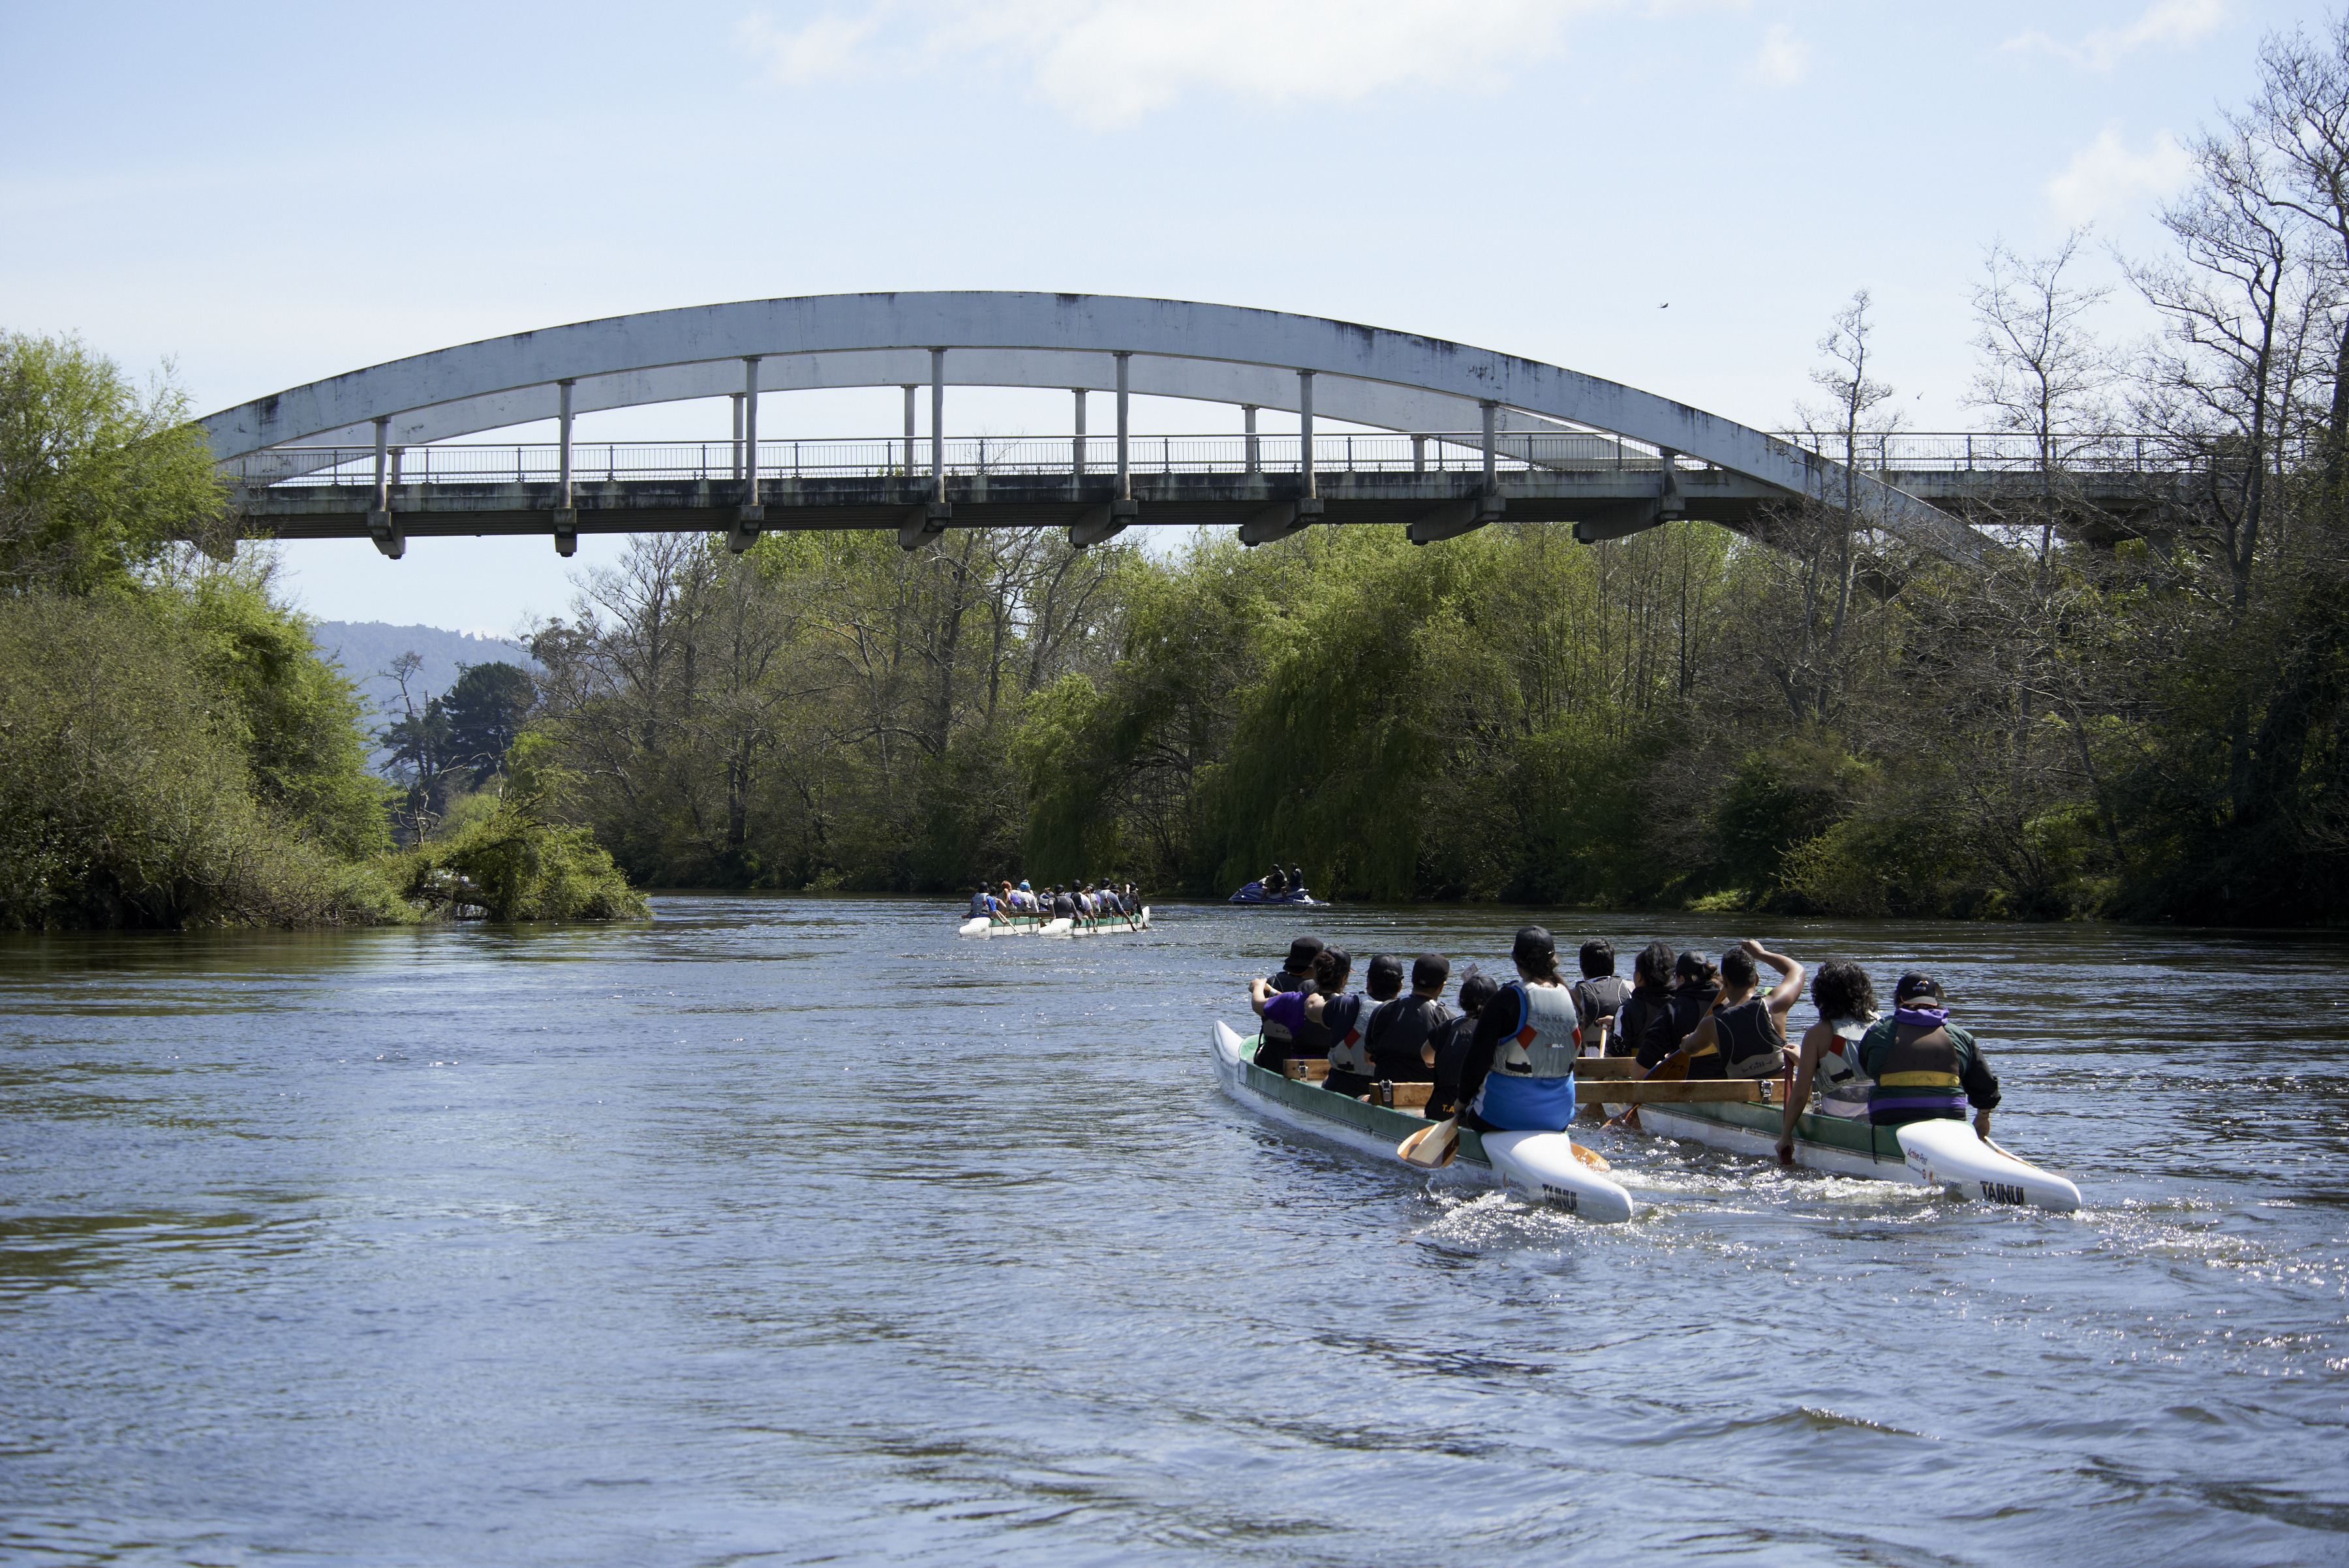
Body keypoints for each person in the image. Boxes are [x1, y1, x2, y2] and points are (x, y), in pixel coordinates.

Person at [1427, 927, 1582, 1133]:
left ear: (1516, 960)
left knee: (1464, 1111)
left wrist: (1461, 1102)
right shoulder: (1571, 1000)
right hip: (1560, 1116)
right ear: (1553, 959)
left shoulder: (1505, 1000)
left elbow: (1476, 1061)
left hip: (1500, 1116)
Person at [1856, 974, 2000, 1138]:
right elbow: (1985, 1086)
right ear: (1935, 1001)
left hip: (1889, 1118)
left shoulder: (1878, 1032)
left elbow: (1868, 1067)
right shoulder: (1961, 1036)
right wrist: (1983, 1116)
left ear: (1900, 999)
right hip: (1950, 1119)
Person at [1774, 961, 1881, 1163]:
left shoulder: (1817, 1034)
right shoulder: (1880, 1024)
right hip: (1878, 1124)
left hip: (1839, 1126)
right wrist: (1807, 1060)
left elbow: (1799, 1095)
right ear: (1863, 991)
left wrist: (1785, 1136)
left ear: (1822, 996)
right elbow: (1857, 1063)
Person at [1655, 940, 1804, 1081]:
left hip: (1745, 1098)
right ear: (1756, 980)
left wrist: (1685, 1041)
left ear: (1724, 981)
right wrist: (1761, 953)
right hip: (1784, 1093)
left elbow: (1689, 1048)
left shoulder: (1711, 1025)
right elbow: (1797, 970)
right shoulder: (1775, 1004)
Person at [1248, 946, 1355, 1071]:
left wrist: (1259, 986)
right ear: (1343, 980)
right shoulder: (1352, 1006)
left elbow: (1257, 1004)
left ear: (1315, 972)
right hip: (1335, 1071)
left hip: (1300, 1071)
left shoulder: (1293, 1000)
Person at [1366, 953, 1452, 1084]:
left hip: (1384, 1095)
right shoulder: (1448, 1019)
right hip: (1426, 1099)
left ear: (1412, 979)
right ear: (1442, 986)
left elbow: (1368, 1058)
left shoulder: (1382, 1010)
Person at [1424, 970, 1499, 1120]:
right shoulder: (1498, 1031)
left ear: (1461, 1001)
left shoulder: (1447, 1027)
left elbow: (1426, 1055)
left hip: (1440, 1111)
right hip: (1478, 1112)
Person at [1327, 955, 1405, 1097]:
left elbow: (1316, 1013)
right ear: (1400, 987)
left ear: (1368, 982)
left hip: (1341, 1087)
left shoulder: (1345, 1003)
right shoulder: (1408, 1013)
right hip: (1387, 1093)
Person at [1636, 949, 1723, 1069]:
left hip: (1685, 1082)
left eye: (1675, 978)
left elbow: (1643, 1065)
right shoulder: (1726, 1004)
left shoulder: (1673, 1010)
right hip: (1726, 1078)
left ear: (1682, 979)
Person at [1255, 937, 1325, 1059]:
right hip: (1311, 1059)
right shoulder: (1326, 988)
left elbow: (1257, 1005)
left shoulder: (1272, 982)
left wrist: (1258, 986)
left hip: (1273, 1057)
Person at [1613, 940, 1676, 1059]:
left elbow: (1617, 1053)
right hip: (1676, 1071)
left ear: (1639, 976)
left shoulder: (1628, 1010)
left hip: (1636, 1073)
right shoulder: (1681, 1004)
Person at [1570, 939, 1633, 1054]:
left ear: (1582, 966)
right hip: (1624, 1060)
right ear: (1612, 964)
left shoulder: (1574, 995)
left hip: (1586, 1065)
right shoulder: (1631, 988)